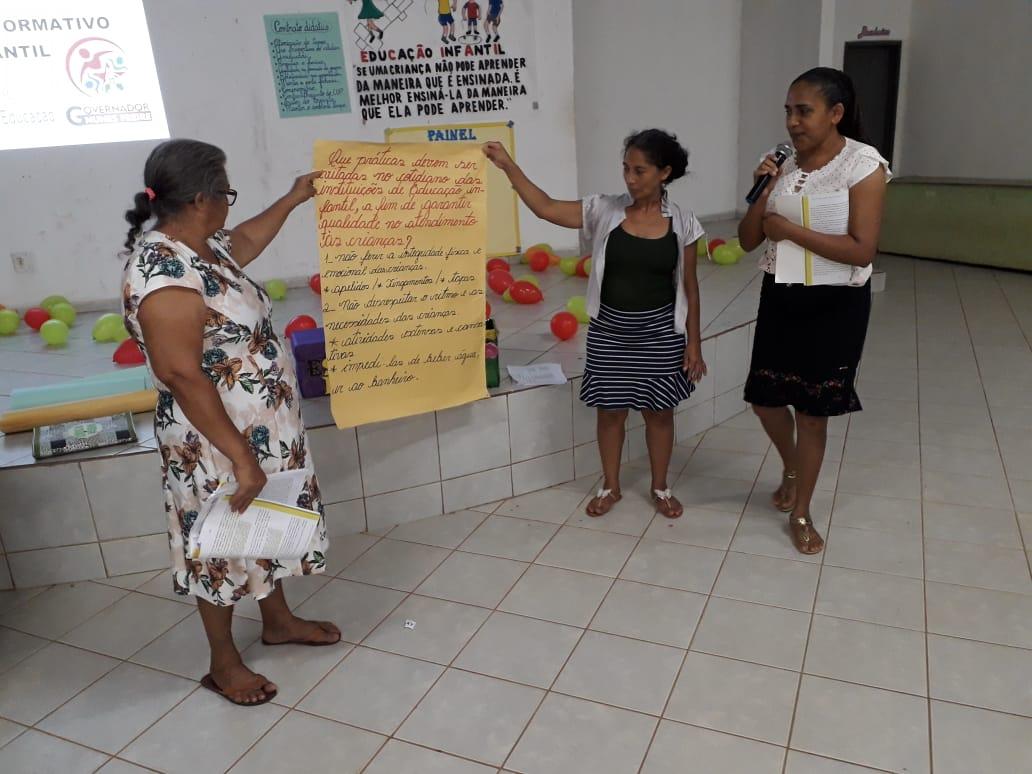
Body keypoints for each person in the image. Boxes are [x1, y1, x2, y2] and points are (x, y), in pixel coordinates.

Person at [122, 139, 340, 706]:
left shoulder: (203, 247)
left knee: (264, 524)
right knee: (219, 541)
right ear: (201, 198)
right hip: (216, 441)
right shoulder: (162, 273)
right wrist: (242, 456)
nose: (229, 204)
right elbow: (181, 373)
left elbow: (242, 240)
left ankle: (278, 620)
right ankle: (223, 662)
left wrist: (293, 198)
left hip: (259, 428)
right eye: (226, 191)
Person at [484, 130, 707, 519]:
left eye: (640, 171)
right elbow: (546, 207)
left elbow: (690, 286)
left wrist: (694, 344)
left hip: (659, 332)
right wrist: (507, 165)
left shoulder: (684, 223)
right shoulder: (604, 209)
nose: (630, 178)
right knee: (610, 411)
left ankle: (660, 486)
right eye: (626, 168)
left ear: (664, 172)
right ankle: (611, 485)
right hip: (610, 330)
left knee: (659, 413)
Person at [737, 67, 891, 554]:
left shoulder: (863, 165)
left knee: (813, 413)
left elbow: (862, 249)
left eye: (804, 111)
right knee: (765, 397)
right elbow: (746, 240)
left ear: (836, 113)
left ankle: (801, 510)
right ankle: (792, 465)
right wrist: (763, 190)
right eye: (788, 111)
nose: (793, 122)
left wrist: (790, 231)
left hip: (836, 301)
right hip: (782, 292)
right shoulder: (781, 164)